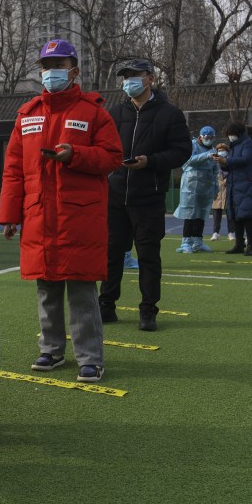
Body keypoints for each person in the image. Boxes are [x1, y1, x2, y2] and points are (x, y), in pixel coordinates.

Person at [0, 38, 122, 383]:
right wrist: (10, 214)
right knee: (47, 288)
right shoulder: (27, 115)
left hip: (79, 217)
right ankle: (51, 350)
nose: (52, 72)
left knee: (82, 291)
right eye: (46, 66)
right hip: (40, 216)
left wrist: (76, 156)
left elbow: (113, 156)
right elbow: (14, 168)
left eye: (59, 65)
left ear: (75, 70)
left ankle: (90, 357)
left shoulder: (94, 111)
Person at [98, 59, 191, 331]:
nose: (128, 81)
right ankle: (106, 305)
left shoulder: (170, 114)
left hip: (148, 196)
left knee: (149, 255)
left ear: (149, 78)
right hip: (115, 195)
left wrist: (149, 161)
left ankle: (148, 309)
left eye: (134, 76)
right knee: (111, 253)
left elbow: (182, 150)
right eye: (125, 77)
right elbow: (103, 148)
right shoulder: (114, 113)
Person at [213, 120, 252, 255]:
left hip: (246, 184)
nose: (230, 136)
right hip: (235, 184)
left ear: (238, 133)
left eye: (231, 134)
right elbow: (231, 165)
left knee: (247, 216)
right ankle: (239, 244)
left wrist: (226, 161)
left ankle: (250, 246)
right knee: (236, 216)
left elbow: (245, 160)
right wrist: (222, 163)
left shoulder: (247, 144)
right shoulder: (235, 145)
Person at [174, 126, 219, 253]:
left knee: (202, 213)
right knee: (190, 213)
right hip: (191, 184)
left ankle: (198, 241)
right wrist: (206, 155)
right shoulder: (192, 145)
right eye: (207, 138)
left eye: (211, 138)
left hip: (207, 185)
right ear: (200, 136)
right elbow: (188, 161)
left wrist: (216, 188)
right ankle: (186, 242)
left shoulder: (213, 150)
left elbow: (215, 170)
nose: (209, 140)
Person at [210, 142, 233, 241]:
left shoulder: (230, 161)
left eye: (223, 150)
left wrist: (228, 180)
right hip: (218, 190)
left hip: (228, 189)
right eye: (219, 150)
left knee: (230, 212)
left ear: (227, 152)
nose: (221, 152)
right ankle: (215, 233)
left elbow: (234, 172)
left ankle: (231, 232)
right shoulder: (215, 162)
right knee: (216, 213)